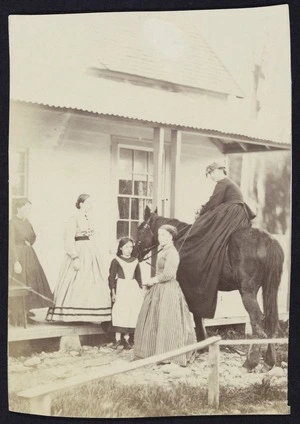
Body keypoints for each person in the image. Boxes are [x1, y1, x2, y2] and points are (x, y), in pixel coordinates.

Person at [177, 161, 256, 319]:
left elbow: (214, 201)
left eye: (211, 174)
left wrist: (201, 212)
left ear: (217, 171)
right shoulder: (229, 183)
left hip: (231, 212)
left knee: (204, 228)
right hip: (236, 213)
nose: (211, 177)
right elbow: (216, 201)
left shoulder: (222, 182)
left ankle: (203, 250)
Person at [134, 225, 196, 366]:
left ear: (171, 237)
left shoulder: (172, 252)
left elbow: (168, 274)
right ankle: (153, 351)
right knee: (155, 320)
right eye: (159, 235)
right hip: (159, 289)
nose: (160, 238)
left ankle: (169, 354)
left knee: (167, 321)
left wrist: (153, 280)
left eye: (164, 236)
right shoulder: (163, 250)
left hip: (168, 289)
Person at [46, 194, 112, 323]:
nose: (90, 206)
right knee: (76, 281)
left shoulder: (90, 219)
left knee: (92, 282)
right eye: (88, 203)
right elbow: (68, 240)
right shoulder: (73, 219)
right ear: (81, 204)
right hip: (79, 251)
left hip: (90, 252)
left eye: (91, 203)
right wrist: (75, 257)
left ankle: (88, 315)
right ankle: (73, 315)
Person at [9, 198, 53, 324]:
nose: (28, 212)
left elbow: (33, 236)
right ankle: (16, 316)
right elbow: (10, 244)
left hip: (29, 257)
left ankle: (27, 312)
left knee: (32, 282)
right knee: (21, 283)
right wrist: (15, 261)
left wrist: (29, 243)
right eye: (26, 209)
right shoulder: (12, 223)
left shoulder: (27, 222)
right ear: (18, 208)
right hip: (18, 257)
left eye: (29, 209)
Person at [108, 237, 143, 350]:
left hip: (132, 289)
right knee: (120, 311)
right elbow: (111, 278)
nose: (129, 249)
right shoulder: (116, 260)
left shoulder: (135, 261)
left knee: (131, 312)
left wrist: (140, 290)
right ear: (121, 248)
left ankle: (127, 339)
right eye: (126, 247)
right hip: (121, 288)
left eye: (131, 247)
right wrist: (113, 292)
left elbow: (138, 278)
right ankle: (118, 339)